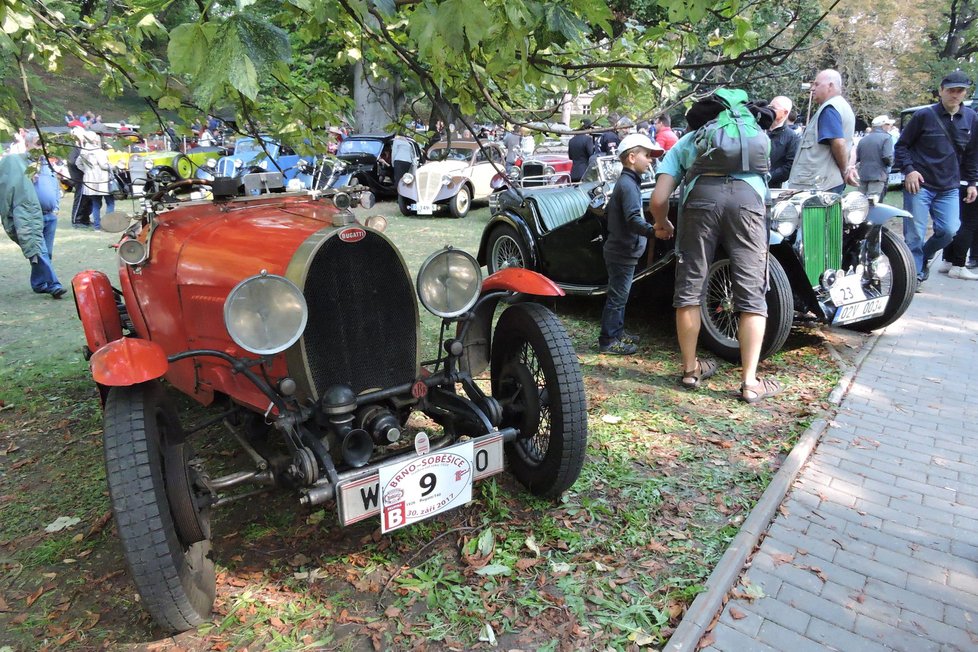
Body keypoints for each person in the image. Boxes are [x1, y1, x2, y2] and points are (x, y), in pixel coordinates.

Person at [649, 89, 781, 404]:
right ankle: (750, 383)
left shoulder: (690, 141)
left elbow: (658, 199)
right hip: (748, 201)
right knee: (751, 293)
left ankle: (690, 370)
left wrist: (662, 222)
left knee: (690, 288)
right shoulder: (756, 138)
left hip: (700, 201)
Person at [895, 70, 978, 284]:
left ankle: (923, 256)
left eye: (960, 91)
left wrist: (972, 182)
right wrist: (909, 170)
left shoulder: (971, 118)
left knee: (950, 230)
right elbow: (901, 146)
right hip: (920, 185)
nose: (955, 94)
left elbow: (971, 154)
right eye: (951, 90)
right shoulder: (924, 116)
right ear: (941, 91)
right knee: (914, 235)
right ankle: (913, 279)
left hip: (949, 186)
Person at [597, 133, 659, 355]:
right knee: (617, 297)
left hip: (623, 251)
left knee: (620, 296)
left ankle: (618, 332)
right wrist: (654, 232)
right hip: (622, 252)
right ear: (632, 157)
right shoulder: (628, 185)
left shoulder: (627, 182)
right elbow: (633, 219)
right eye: (646, 155)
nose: (650, 160)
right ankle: (608, 340)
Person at [0, 154, 66, 299]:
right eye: (35, 142)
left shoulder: (47, 166)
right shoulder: (19, 165)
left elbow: (54, 184)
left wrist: (56, 205)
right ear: (28, 143)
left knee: (45, 253)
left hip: (50, 215)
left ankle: (38, 284)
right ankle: (54, 285)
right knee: (38, 251)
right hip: (31, 217)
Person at [787, 69, 857, 193]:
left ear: (830, 86)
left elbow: (838, 143)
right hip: (826, 183)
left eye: (817, 84)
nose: (812, 88)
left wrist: (845, 170)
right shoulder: (842, 106)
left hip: (819, 187)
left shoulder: (830, 109)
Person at [77, 130, 112, 230]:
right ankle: (108, 225)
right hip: (102, 180)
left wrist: (87, 171)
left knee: (96, 203)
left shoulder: (83, 151)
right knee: (110, 202)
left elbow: (78, 163)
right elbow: (104, 166)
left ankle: (97, 226)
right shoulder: (99, 152)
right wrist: (114, 166)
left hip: (90, 181)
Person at [855, 115, 895, 202]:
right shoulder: (887, 138)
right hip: (878, 176)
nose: (889, 127)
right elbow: (887, 157)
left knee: (862, 203)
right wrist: (891, 163)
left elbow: (858, 158)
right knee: (874, 204)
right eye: (888, 124)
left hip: (863, 176)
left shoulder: (863, 140)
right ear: (883, 125)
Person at [767, 96, 800, 188]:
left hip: (772, 188)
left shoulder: (792, 137)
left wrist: (768, 176)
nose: (769, 110)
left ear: (785, 112)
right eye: (769, 106)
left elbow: (789, 167)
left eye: (773, 108)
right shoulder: (758, 130)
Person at [67, 127, 92, 228]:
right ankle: (76, 220)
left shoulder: (81, 147)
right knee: (80, 198)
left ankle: (85, 218)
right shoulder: (73, 148)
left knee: (87, 199)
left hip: (84, 177)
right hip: (78, 177)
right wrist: (82, 167)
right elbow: (72, 161)